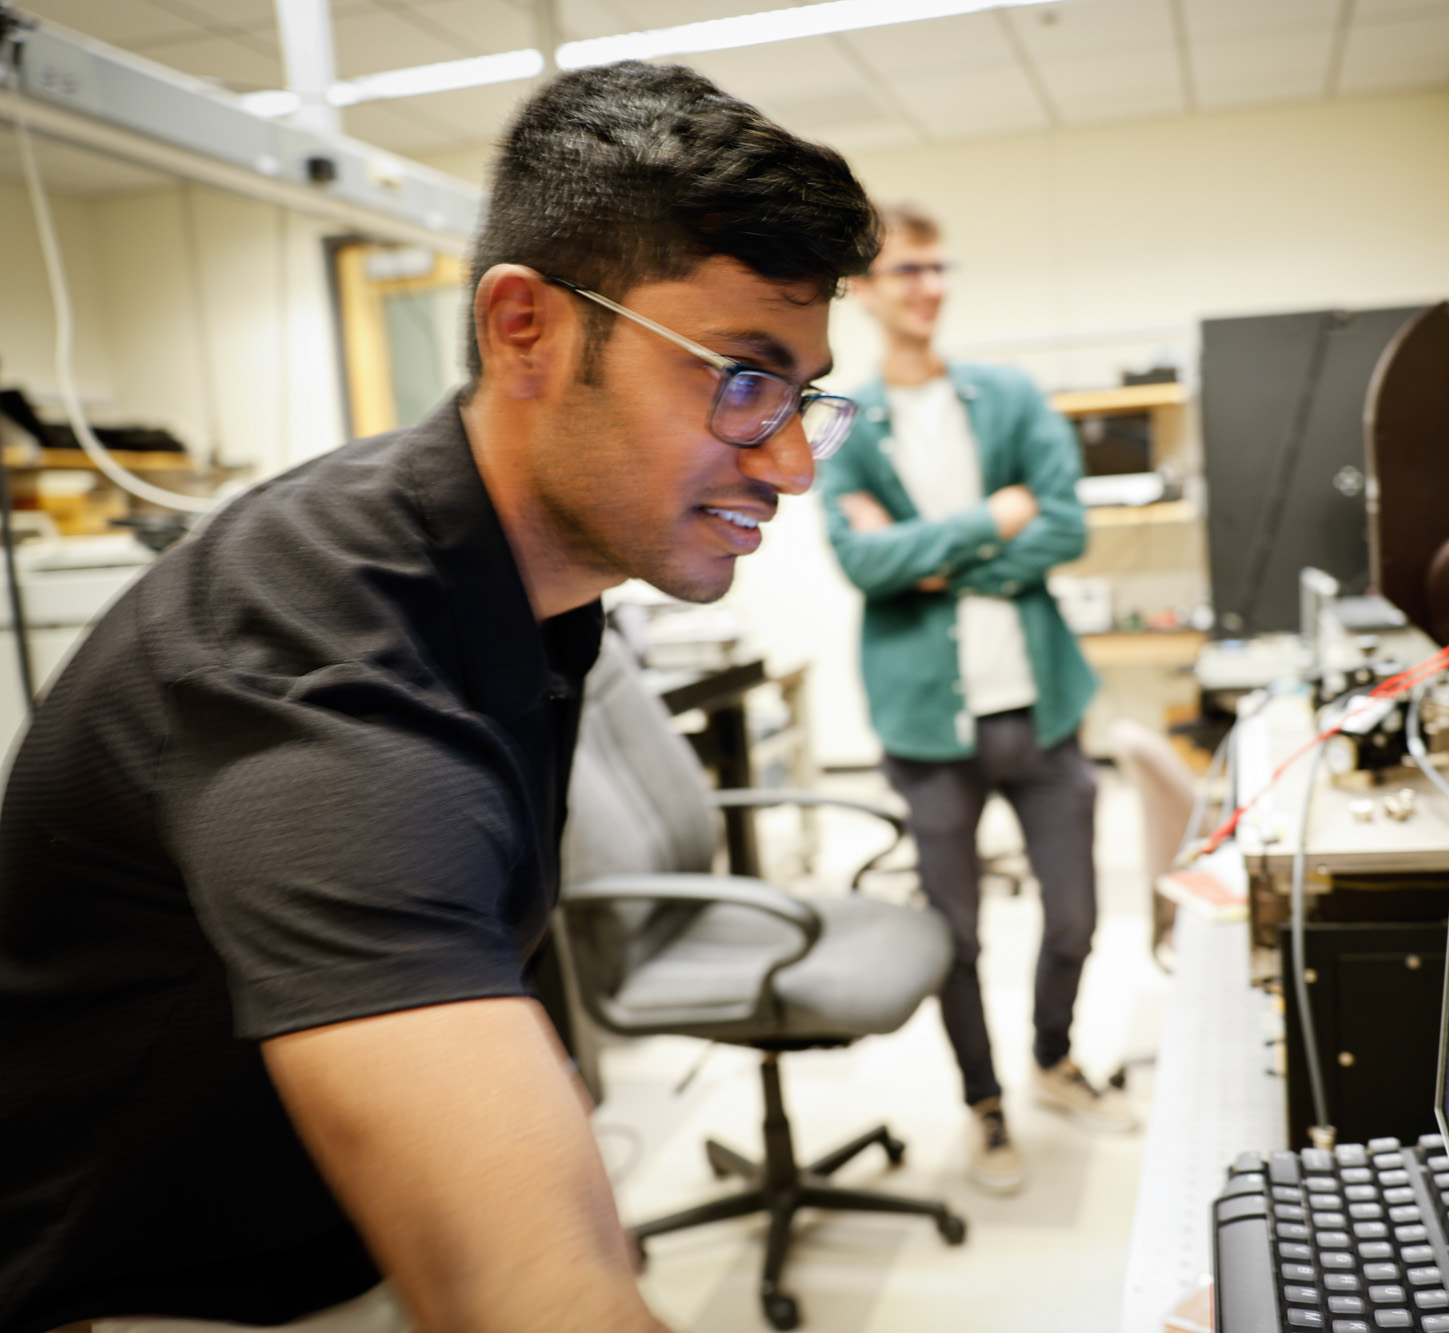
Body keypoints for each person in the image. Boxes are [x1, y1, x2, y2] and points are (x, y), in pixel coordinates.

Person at [0, 64, 877, 1333]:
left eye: (800, 395)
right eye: (739, 377)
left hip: (319, 1227)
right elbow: (523, 1293)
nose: (789, 460)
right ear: (525, 328)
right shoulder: (310, 663)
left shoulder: (529, 578)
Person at [820, 203, 1132, 1197]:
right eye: (905, 272)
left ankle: (1052, 1055)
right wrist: (990, 523)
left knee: (1076, 917)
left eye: (937, 267)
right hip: (924, 726)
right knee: (953, 934)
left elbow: (1065, 527)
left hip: (1037, 712)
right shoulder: (847, 425)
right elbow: (860, 561)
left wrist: (936, 560)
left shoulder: (1007, 397)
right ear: (861, 290)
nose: (928, 287)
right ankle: (985, 1102)